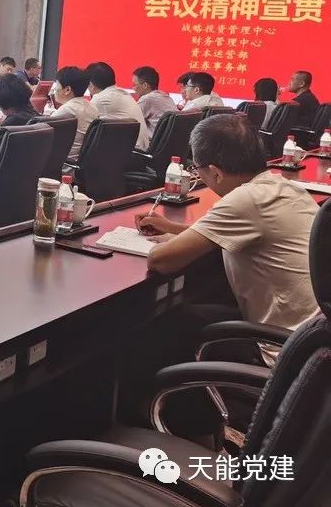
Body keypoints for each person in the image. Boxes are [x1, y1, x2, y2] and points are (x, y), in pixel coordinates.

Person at [137, 114, 319, 366]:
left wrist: (166, 243)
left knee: (163, 321)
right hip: (315, 341)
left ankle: (168, 389)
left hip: (284, 352)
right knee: (194, 311)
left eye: (197, 170)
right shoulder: (285, 188)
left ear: (215, 173)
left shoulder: (244, 200)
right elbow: (235, 231)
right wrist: (173, 229)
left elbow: (160, 261)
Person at [87, 61, 150, 150]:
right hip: (138, 152)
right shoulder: (123, 94)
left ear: (91, 85)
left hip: (130, 153)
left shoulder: (100, 99)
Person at [50, 66, 99, 161]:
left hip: (65, 164)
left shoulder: (67, 110)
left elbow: (43, 134)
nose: (54, 89)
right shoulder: (92, 107)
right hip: (82, 163)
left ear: (67, 90)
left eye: (57, 84)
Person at [133, 66, 178, 137]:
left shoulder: (147, 99)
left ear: (145, 85)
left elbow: (130, 122)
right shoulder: (165, 96)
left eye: (134, 85)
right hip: (171, 140)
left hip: (153, 142)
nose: (133, 88)